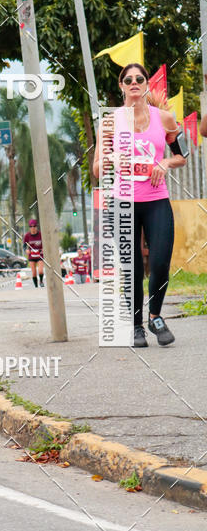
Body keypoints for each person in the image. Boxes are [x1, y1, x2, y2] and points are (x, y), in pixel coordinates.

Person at [93, 62, 187, 347]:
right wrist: (112, 160)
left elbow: (182, 155)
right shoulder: (110, 122)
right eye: (128, 79)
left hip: (157, 200)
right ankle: (136, 325)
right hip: (124, 203)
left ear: (146, 85)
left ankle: (155, 316)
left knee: (159, 262)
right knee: (131, 267)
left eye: (139, 78)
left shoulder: (165, 119)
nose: (134, 82)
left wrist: (165, 162)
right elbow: (97, 168)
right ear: (121, 86)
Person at [23, 219, 44, 287]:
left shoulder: (40, 234)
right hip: (32, 256)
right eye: (31, 226)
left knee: (40, 270)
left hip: (40, 255)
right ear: (29, 227)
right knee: (34, 272)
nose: (33, 228)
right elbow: (24, 246)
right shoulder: (27, 236)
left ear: (36, 227)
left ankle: (41, 281)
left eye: (34, 226)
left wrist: (44, 249)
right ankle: (36, 286)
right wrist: (26, 250)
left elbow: (45, 243)